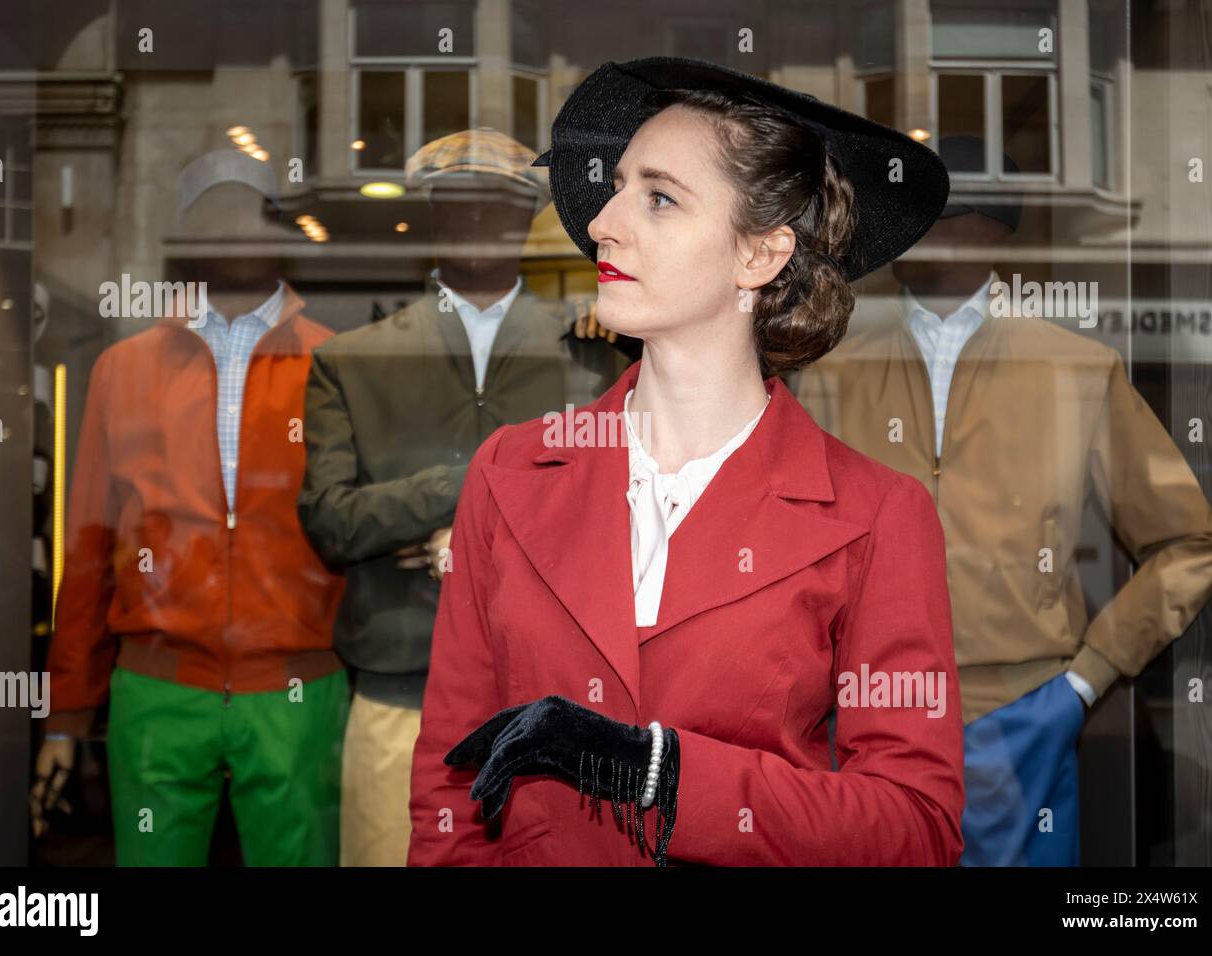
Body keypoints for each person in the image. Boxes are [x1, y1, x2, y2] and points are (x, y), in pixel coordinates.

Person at [406, 57, 965, 867]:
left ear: (760, 257)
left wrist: (665, 775)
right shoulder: (510, 472)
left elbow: (913, 829)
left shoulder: (877, 515)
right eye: (620, 185)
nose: (604, 221)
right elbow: (449, 789)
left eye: (659, 197)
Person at [794, 136, 1212, 866]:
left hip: (1020, 724)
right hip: (862, 723)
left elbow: (1189, 541)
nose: (913, 232)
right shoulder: (827, 368)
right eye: (908, 213)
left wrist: (1081, 684)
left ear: (990, 228)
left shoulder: (1075, 369)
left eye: (935, 212)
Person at [297, 128, 625, 866]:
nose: (480, 223)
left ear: (526, 218)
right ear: (432, 217)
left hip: (560, 694)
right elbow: (329, 521)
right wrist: (475, 479)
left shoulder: (593, 350)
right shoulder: (352, 362)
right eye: (460, 206)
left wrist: (477, 537)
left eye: (499, 206)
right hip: (400, 686)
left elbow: (621, 508)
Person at [31, 152, 349, 865]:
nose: (235, 232)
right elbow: (88, 552)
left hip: (297, 691)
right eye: (216, 215)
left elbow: (356, 532)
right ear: (188, 237)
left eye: (251, 213)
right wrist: (65, 716)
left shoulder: (335, 362)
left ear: (279, 232)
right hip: (157, 688)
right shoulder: (126, 368)